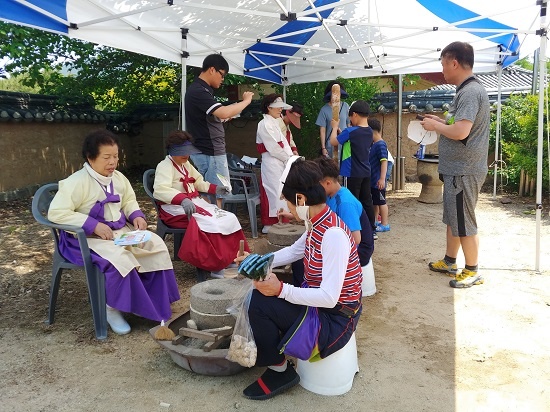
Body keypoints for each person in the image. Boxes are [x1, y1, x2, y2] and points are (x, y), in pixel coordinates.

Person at [239, 158, 362, 400]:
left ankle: (279, 370)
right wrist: (257, 260)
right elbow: (295, 250)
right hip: (322, 307)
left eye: (288, 202)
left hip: (336, 319)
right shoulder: (317, 222)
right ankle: (278, 363)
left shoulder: (333, 234)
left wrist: (280, 290)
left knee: (261, 302)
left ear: (301, 199)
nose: (289, 208)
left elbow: (329, 297)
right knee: (260, 296)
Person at [48, 129, 180, 335]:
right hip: (85, 238)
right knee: (121, 257)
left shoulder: (118, 178)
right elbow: (56, 213)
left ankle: (154, 302)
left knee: (155, 244)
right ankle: (112, 308)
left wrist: (136, 215)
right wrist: (92, 225)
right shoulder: (76, 181)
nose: (112, 162)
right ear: (91, 158)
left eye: (116, 156)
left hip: (118, 230)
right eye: (106, 157)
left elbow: (128, 200)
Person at [420, 41, 489, 289]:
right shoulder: (465, 91)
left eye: (443, 64)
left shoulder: (470, 92)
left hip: (464, 169)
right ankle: (450, 260)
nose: (442, 70)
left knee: (464, 219)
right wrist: (439, 120)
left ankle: (472, 270)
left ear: (454, 62)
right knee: (454, 218)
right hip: (457, 168)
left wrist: (436, 126)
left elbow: (461, 131)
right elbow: (455, 122)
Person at [153, 130, 250, 278]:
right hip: (175, 208)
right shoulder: (164, 166)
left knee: (228, 217)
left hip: (192, 202)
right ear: (172, 151)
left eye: (187, 152)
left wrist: (215, 188)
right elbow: (160, 190)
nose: (186, 155)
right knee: (211, 222)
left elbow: (198, 182)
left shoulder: (186, 165)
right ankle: (215, 266)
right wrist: (182, 199)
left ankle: (232, 256)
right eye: (182, 152)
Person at [184, 53, 254, 207]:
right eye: (222, 75)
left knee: (209, 192)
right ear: (212, 70)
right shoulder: (199, 91)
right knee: (218, 195)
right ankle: (216, 229)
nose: (223, 79)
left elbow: (216, 116)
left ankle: (210, 227)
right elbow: (223, 112)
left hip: (206, 150)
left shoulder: (202, 90)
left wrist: (223, 117)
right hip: (211, 151)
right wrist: (246, 101)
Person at [315, 156, 374, 267]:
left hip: (359, 252)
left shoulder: (345, 203)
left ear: (328, 183)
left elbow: (356, 239)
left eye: (317, 185)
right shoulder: (331, 195)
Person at [329, 100, 377, 235]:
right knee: (366, 200)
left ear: (354, 114)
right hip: (366, 172)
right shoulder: (369, 131)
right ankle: (371, 230)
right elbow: (350, 139)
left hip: (351, 173)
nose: (350, 120)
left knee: (351, 201)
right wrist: (341, 132)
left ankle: (354, 230)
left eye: (350, 117)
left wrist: (334, 128)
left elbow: (333, 141)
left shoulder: (350, 131)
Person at [256, 94, 294, 234]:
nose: (280, 110)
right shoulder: (264, 124)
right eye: (277, 107)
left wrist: (290, 158)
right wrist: (287, 159)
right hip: (271, 162)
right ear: (269, 108)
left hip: (281, 162)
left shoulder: (275, 123)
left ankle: (282, 220)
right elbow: (273, 147)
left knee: (281, 191)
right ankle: (270, 223)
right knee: (272, 191)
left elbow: (284, 143)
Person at [316, 81, 350, 159]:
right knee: (332, 168)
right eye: (334, 93)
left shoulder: (345, 106)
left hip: (344, 143)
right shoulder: (324, 110)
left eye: (339, 93)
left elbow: (349, 124)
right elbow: (322, 130)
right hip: (330, 144)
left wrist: (350, 141)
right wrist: (323, 147)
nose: (337, 95)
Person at [368, 118, 390, 232]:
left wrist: (382, 179)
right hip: (373, 181)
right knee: (374, 202)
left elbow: (384, 161)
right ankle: (375, 220)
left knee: (381, 202)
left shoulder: (380, 144)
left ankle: (385, 223)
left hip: (378, 181)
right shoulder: (374, 144)